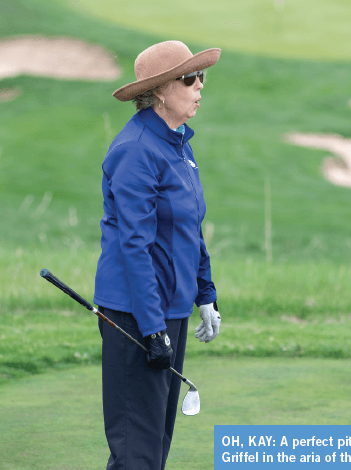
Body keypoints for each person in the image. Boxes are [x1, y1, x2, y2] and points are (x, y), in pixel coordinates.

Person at [93, 40, 222, 470]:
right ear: (162, 91)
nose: (200, 84)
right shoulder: (136, 150)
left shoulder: (178, 144)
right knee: (137, 451)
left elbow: (190, 225)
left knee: (155, 445)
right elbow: (135, 246)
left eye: (200, 75)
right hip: (135, 312)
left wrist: (205, 293)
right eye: (190, 77)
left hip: (171, 307)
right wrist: (150, 328)